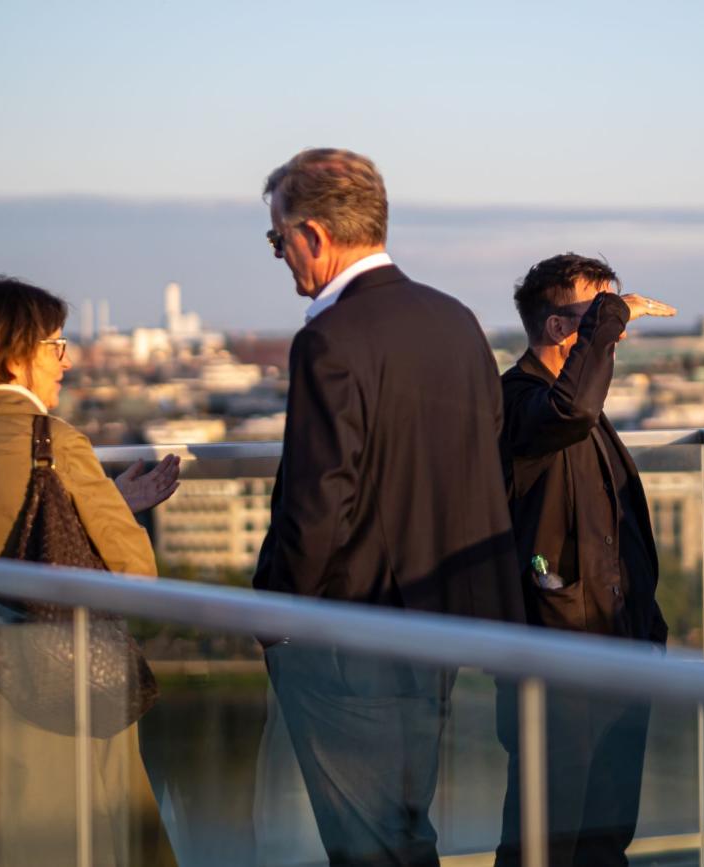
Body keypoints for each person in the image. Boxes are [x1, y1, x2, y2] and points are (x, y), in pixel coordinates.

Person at [251, 147, 524, 865]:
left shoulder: (330, 339)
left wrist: (278, 617)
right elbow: (480, 453)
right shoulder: (456, 320)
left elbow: (320, 500)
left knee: (370, 840)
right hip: (438, 621)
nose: (281, 258)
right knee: (403, 826)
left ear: (312, 235)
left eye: (279, 241)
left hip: (351, 630)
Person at [0, 276, 180, 867]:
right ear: (12, 356)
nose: (67, 361)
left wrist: (104, 503)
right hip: (38, 693)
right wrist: (109, 506)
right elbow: (134, 574)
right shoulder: (53, 443)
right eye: (54, 346)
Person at [494, 253, 676, 866]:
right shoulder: (519, 405)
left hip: (617, 650)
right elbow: (569, 412)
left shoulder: (581, 412)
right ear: (556, 329)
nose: (616, 332)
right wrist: (609, 322)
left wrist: (648, 632)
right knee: (544, 842)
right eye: (599, 317)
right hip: (556, 661)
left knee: (605, 839)